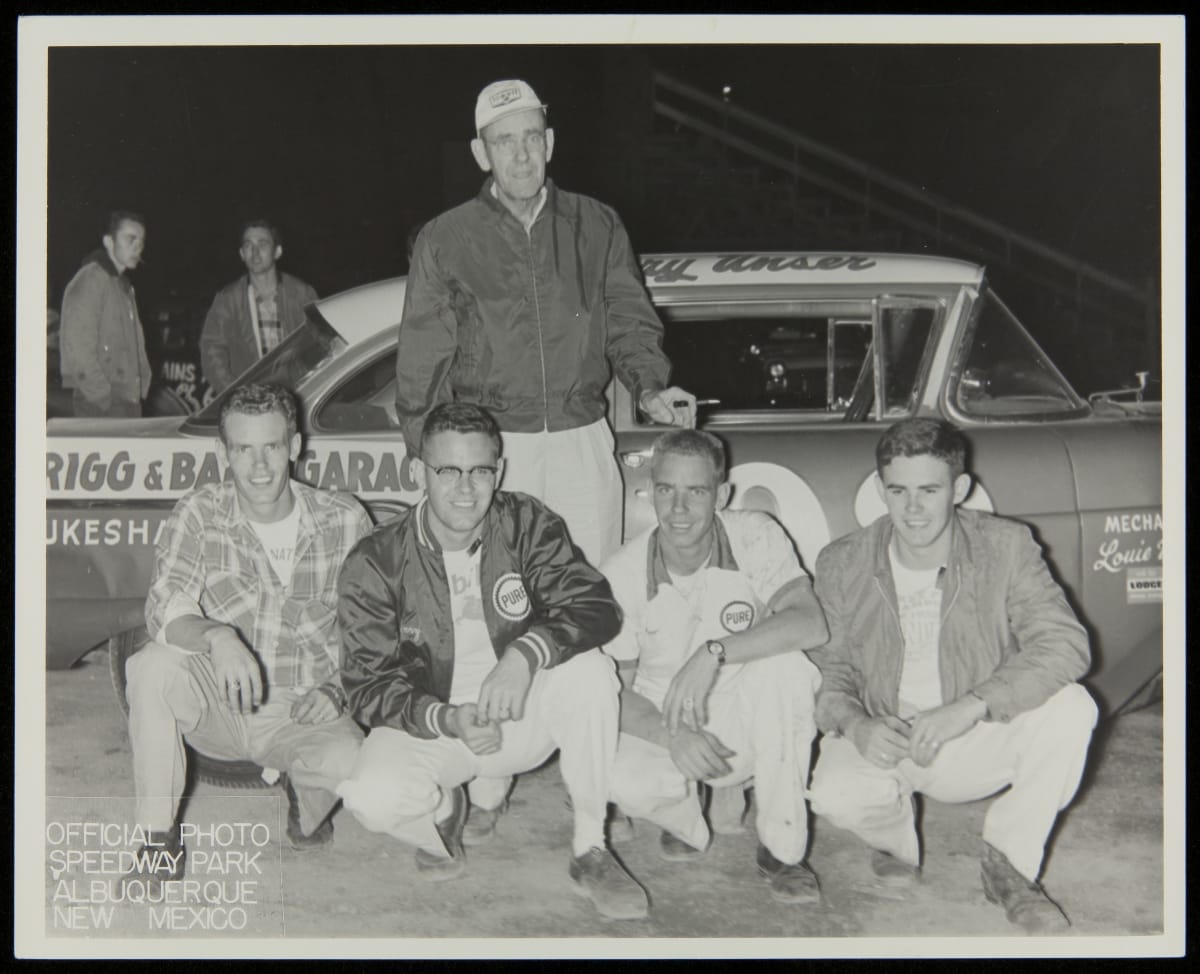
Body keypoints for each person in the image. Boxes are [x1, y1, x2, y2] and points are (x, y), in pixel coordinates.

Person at [335, 402, 649, 921]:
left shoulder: (525, 522)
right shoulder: (376, 560)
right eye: (447, 471)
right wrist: (443, 716)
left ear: (499, 471)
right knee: (372, 799)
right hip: (438, 726)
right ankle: (445, 805)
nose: (465, 488)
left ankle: (591, 848)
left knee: (591, 670)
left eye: (480, 470)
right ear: (419, 472)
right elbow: (367, 686)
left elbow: (596, 607)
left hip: (521, 711)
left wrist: (528, 652)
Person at [807, 418, 1098, 933]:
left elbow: (1067, 644)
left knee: (1073, 708)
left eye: (929, 490)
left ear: (959, 489)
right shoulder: (842, 562)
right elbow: (830, 672)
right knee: (834, 793)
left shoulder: (1005, 546)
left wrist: (973, 705)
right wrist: (855, 725)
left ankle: (1008, 865)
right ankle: (893, 841)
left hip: (972, 732)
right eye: (897, 491)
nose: (912, 509)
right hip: (887, 733)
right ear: (880, 489)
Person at [395, 78, 696, 569]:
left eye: (531, 138)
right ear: (480, 153)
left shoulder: (597, 224)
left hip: (582, 439)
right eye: (504, 142)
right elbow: (422, 361)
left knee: (590, 593)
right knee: (496, 595)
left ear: (549, 142)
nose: (521, 156)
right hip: (490, 448)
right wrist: (427, 448)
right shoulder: (445, 238)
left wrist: (649, 388)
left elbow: (628, 320)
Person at [115, 383, 370, 894]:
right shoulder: (199, 511)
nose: (258, 466)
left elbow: (372, 631)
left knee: (356, 762)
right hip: (221, 702)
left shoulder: (344, 520)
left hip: (302, 708)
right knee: (152, 667)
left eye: (271, 447)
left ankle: (304, 792)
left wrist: (338, 690)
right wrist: (217, 636)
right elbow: (167, 602)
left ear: (294, 447)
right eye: (242, 449)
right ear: (222, 452)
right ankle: (158, 840)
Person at [600, 429, 829, 905]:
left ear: (721, 495)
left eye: (696, 492)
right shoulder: (621, 571)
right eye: (666, 490)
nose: (678, 509)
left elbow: (811, 624)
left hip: (741, 703)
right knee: (619, 777)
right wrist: (672, 737)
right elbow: (613, 690)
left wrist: (714, 651)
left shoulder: (754, 533)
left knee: (788, 668)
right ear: (651, 491)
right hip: (664, 715)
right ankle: (687, 814)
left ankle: (781, 845)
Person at [199, 219, 318, 393]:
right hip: (250, 401)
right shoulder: (227, 299)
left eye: (262, 244)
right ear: (241, 254)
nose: (254, 252)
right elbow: (212, 353)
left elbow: (320, 345)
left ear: (277, 251)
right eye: (248, 246)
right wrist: (237, 395)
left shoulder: (303, 294)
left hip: (296, 395)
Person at [59, 210, 152, 417]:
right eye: (131, 239)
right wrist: (102, 397)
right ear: (109, 242)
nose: (138, 247)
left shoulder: (123, 287)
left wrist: (141, 383)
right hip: (103, 404)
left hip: (127, 399)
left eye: (142, 241)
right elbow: (77, 349)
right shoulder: (91, 280)